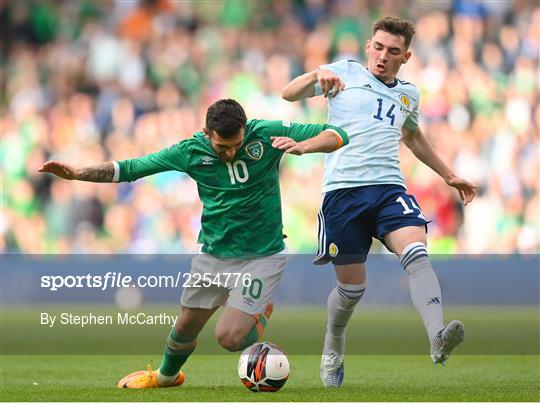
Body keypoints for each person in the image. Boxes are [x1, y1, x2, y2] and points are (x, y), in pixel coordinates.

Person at [39, 98, 349, 388]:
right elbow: (132, 168)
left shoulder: (267, 134)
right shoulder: (190, 150)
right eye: (221, 146)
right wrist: (78, 173)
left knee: (229, 338)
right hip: (214, 253)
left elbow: (337, 134)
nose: (230, 153)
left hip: (263, 254)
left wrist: (303, 146)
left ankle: (261, 310)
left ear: (245, 129)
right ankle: (166, 376)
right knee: (187, 324)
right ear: (206, 134)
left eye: (237, 145)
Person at [281, 17, 478, 388]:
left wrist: (448, 174)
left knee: (417, 253)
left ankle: (437, 335)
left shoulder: (409, 94)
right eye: (378, 47)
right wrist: (314, 76)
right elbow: (288, 94)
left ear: (406, 56)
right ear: (368, 45)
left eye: (392, 51)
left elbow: (413, 135)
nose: (382, 56)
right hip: (343, 192)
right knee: (352, 290)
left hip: (389, 189)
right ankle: (333, 345)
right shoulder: (343, 72)